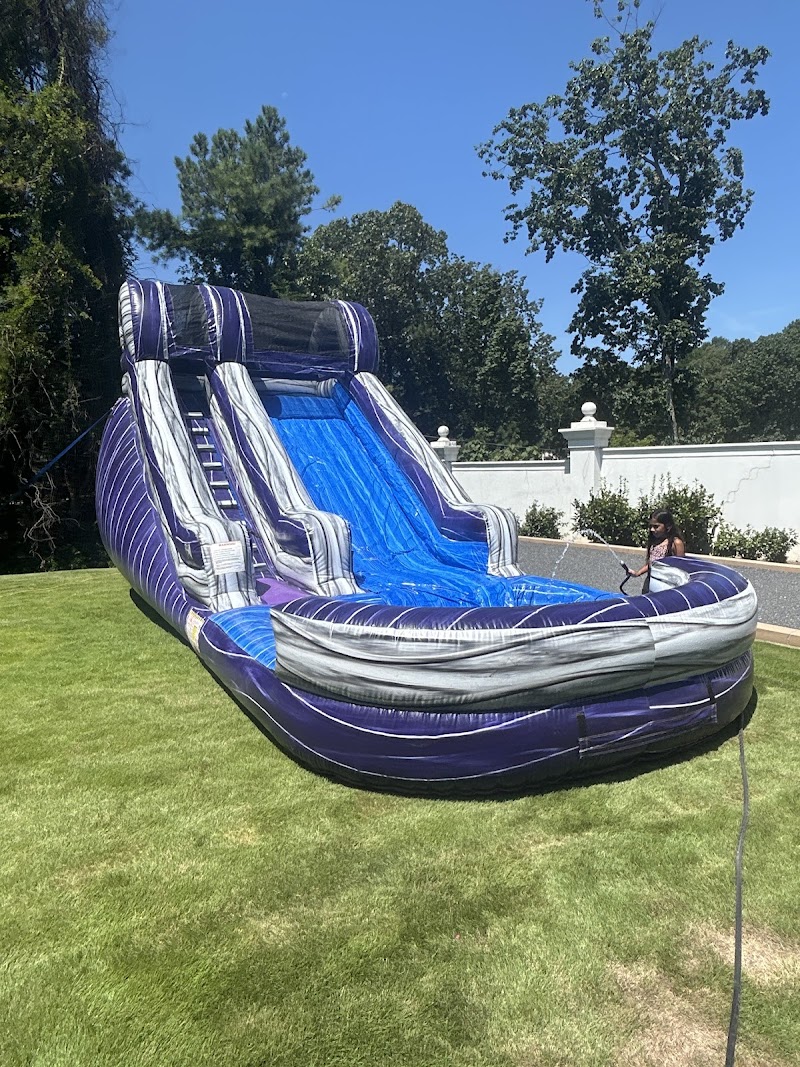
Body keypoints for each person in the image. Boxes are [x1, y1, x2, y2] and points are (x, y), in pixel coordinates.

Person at [626, 510, 686, 592]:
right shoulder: (655, 541)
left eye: (656, 526)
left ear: (668, 526)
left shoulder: (675, 543)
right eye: (651, 526)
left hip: (666, 585)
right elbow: (652, 563)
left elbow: (681, 568)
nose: (652, 529)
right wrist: (637, 573)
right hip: (650, 581)